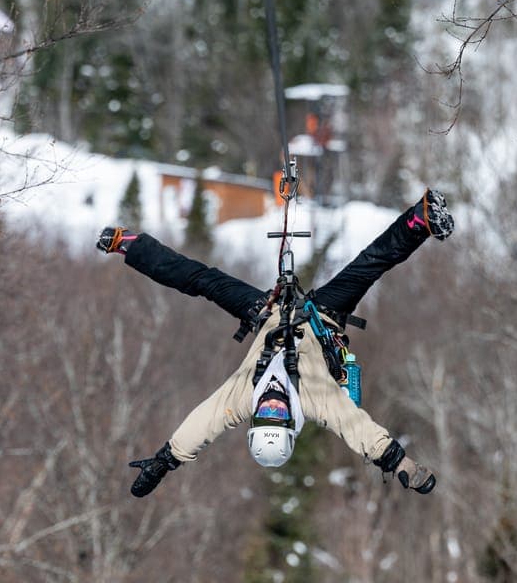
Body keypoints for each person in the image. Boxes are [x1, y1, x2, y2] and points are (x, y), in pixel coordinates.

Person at [96, 189, 454, 498]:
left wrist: (163, 462)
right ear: (290, 421)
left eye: (265, 413)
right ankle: (421, 217)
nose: (272, 403)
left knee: (202, 280)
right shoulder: (316, 399)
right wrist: (403, 465)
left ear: (255, 419)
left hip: (266, 316)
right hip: (320, 317)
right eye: (279, 414)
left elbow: (200, 426)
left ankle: (127, 244)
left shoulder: (242, 397)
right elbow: (359, 431)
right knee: (366, 267)